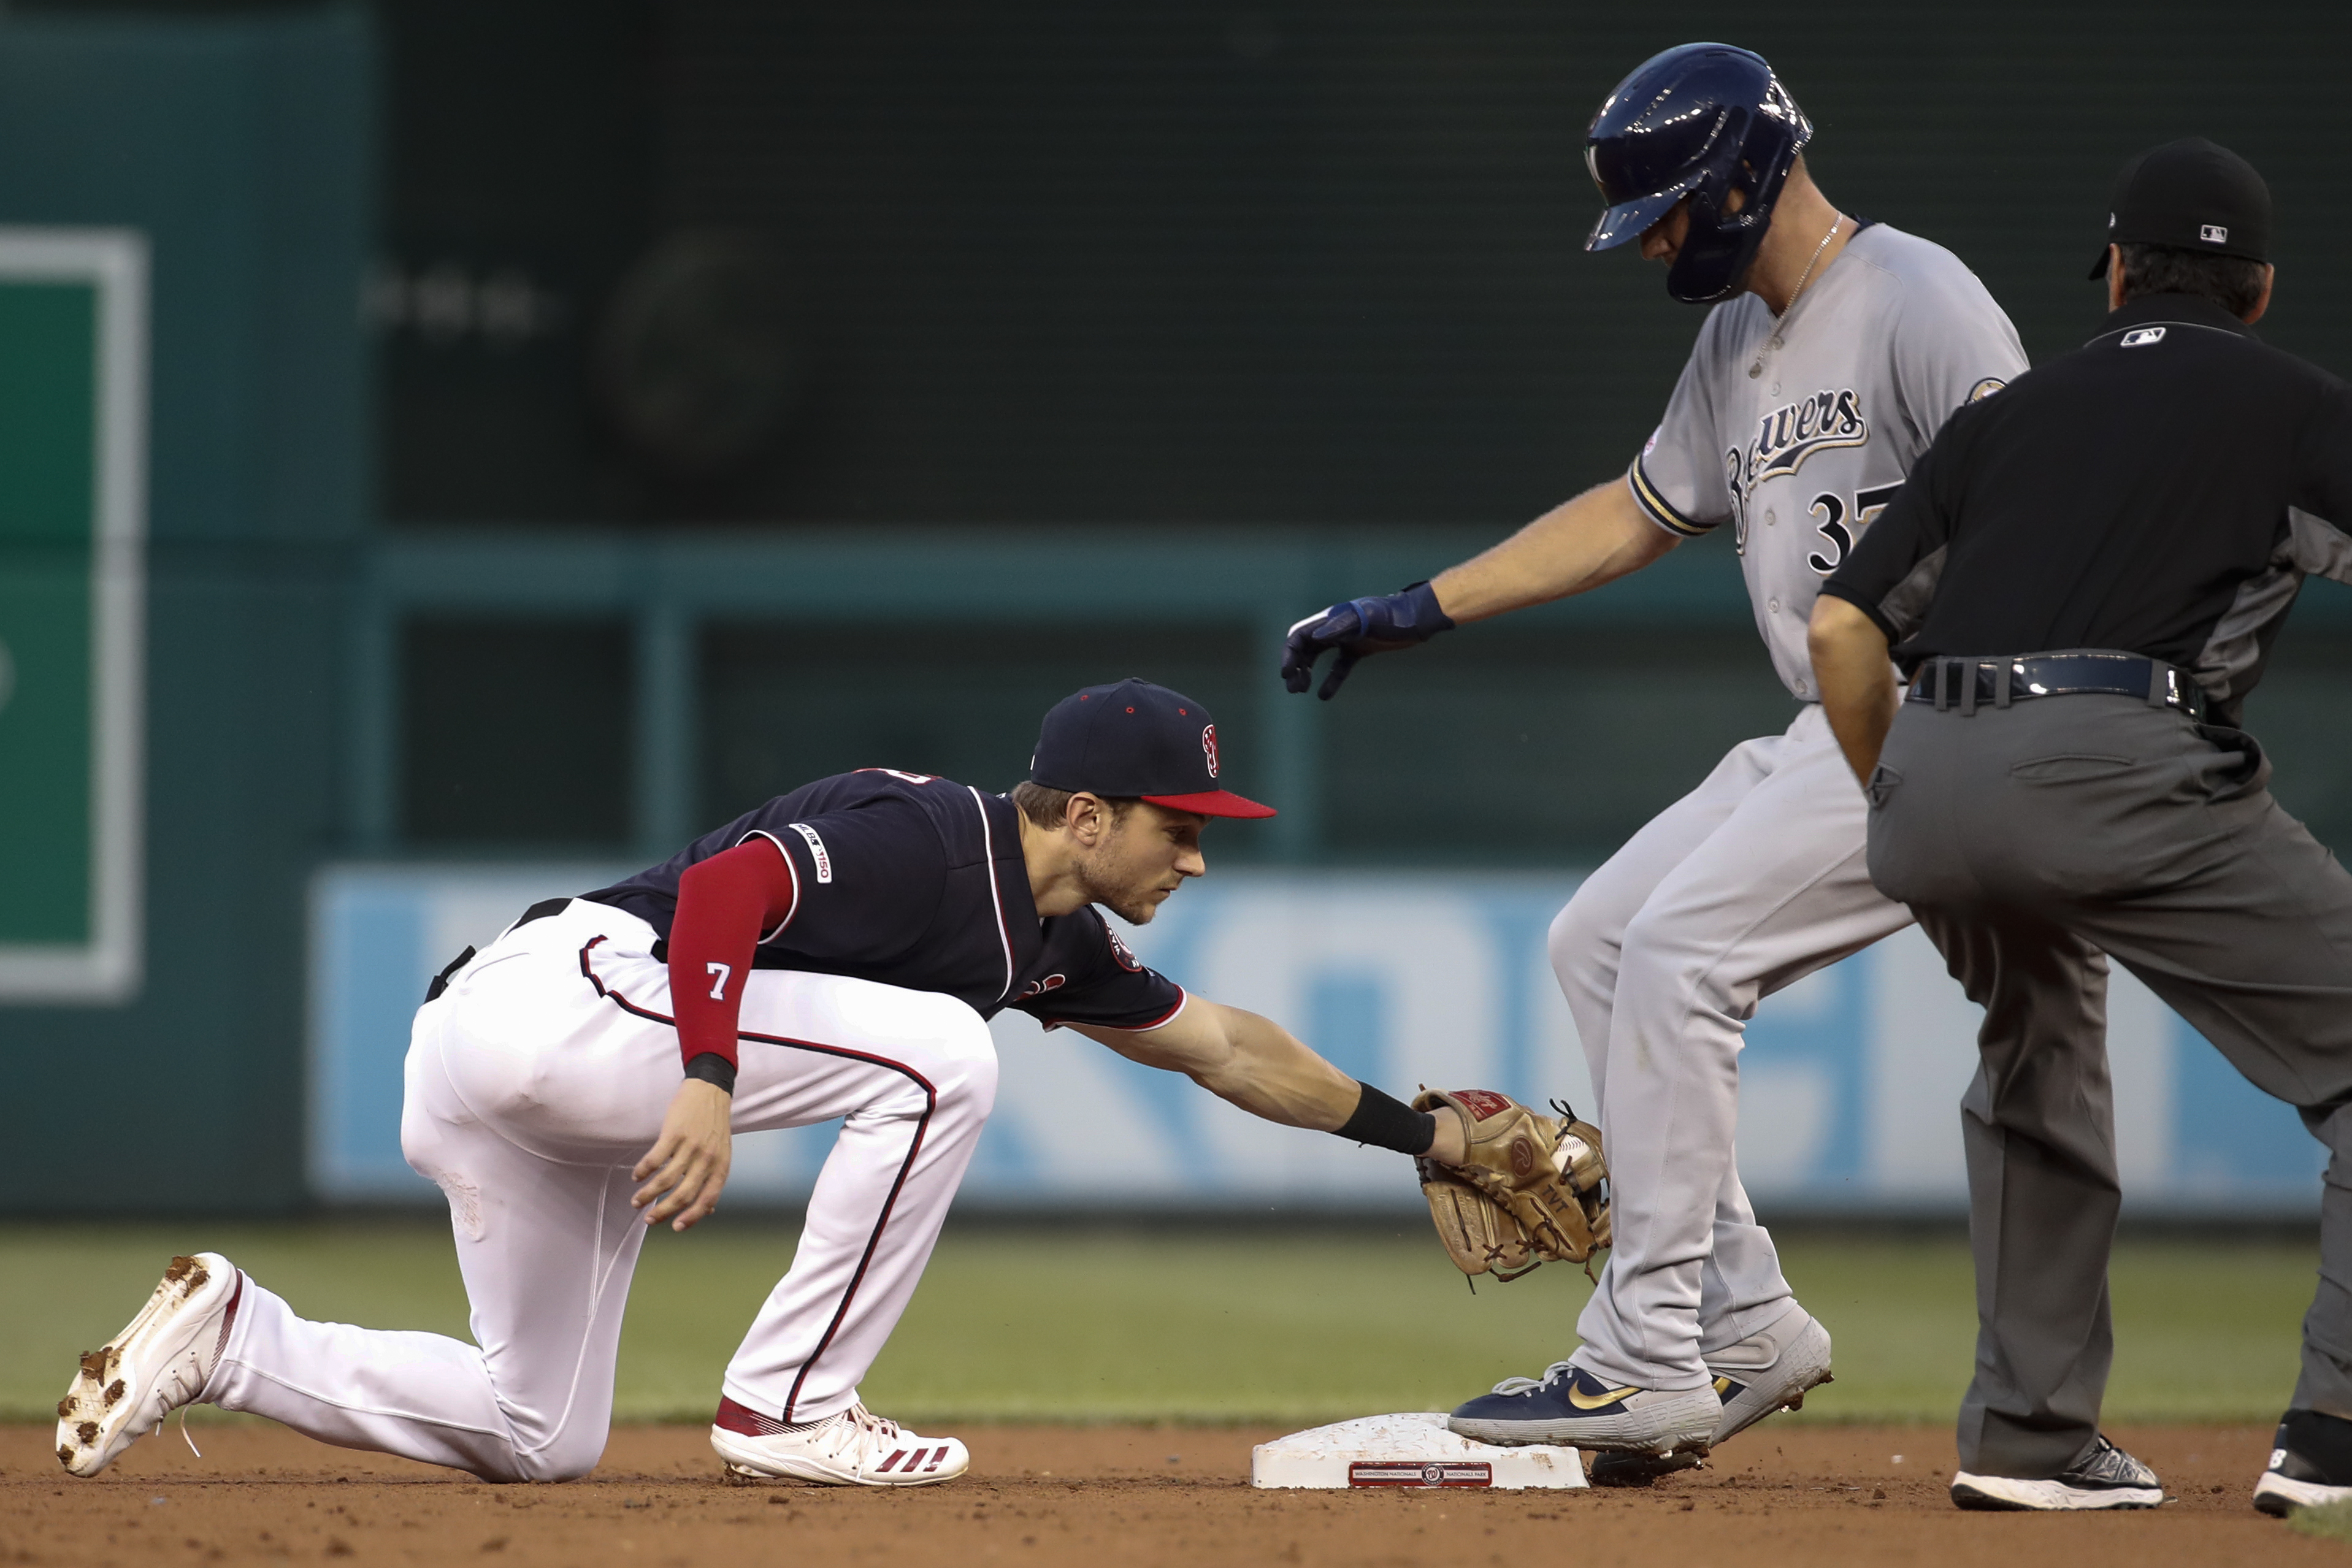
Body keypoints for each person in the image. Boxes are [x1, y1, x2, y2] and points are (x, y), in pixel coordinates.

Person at [57, 679, 1487, 1488]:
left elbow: (1228, 1049)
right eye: (1180, 827)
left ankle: (232, 1335)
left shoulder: (1057, 943)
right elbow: (726, 891)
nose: (1197, 855)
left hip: (536, 1084)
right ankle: (789, 1402)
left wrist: (1428, 1137)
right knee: (945, 1054)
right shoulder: (926, 838)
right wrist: (706, 1076)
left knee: (539, 1431)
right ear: (1089, 813)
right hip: (564, 1002)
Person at [1280, 42, 2026, 1474]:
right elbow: (1635, 513)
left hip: (1942, 706)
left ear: (1746, 174)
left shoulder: (1915, 292)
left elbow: (2031, 496)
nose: (1655, 245)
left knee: (1680, 956)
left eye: (1669, 212)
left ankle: (1641, 1356)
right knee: (1600, 939)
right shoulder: (1736, 340)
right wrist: (1422, 606)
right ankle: (1746, 1323)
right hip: (1830, 717)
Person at [1812, 138, 2352, 1515]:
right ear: (2259, 289)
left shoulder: (2004, 417)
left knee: (2037, 1056)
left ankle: (2028, 1438)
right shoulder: (2296, 407)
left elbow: (1841, 628)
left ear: (2115, 273)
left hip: (1928, 779)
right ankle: (2336, 1435)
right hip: (2119, 758)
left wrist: (1909, 798)